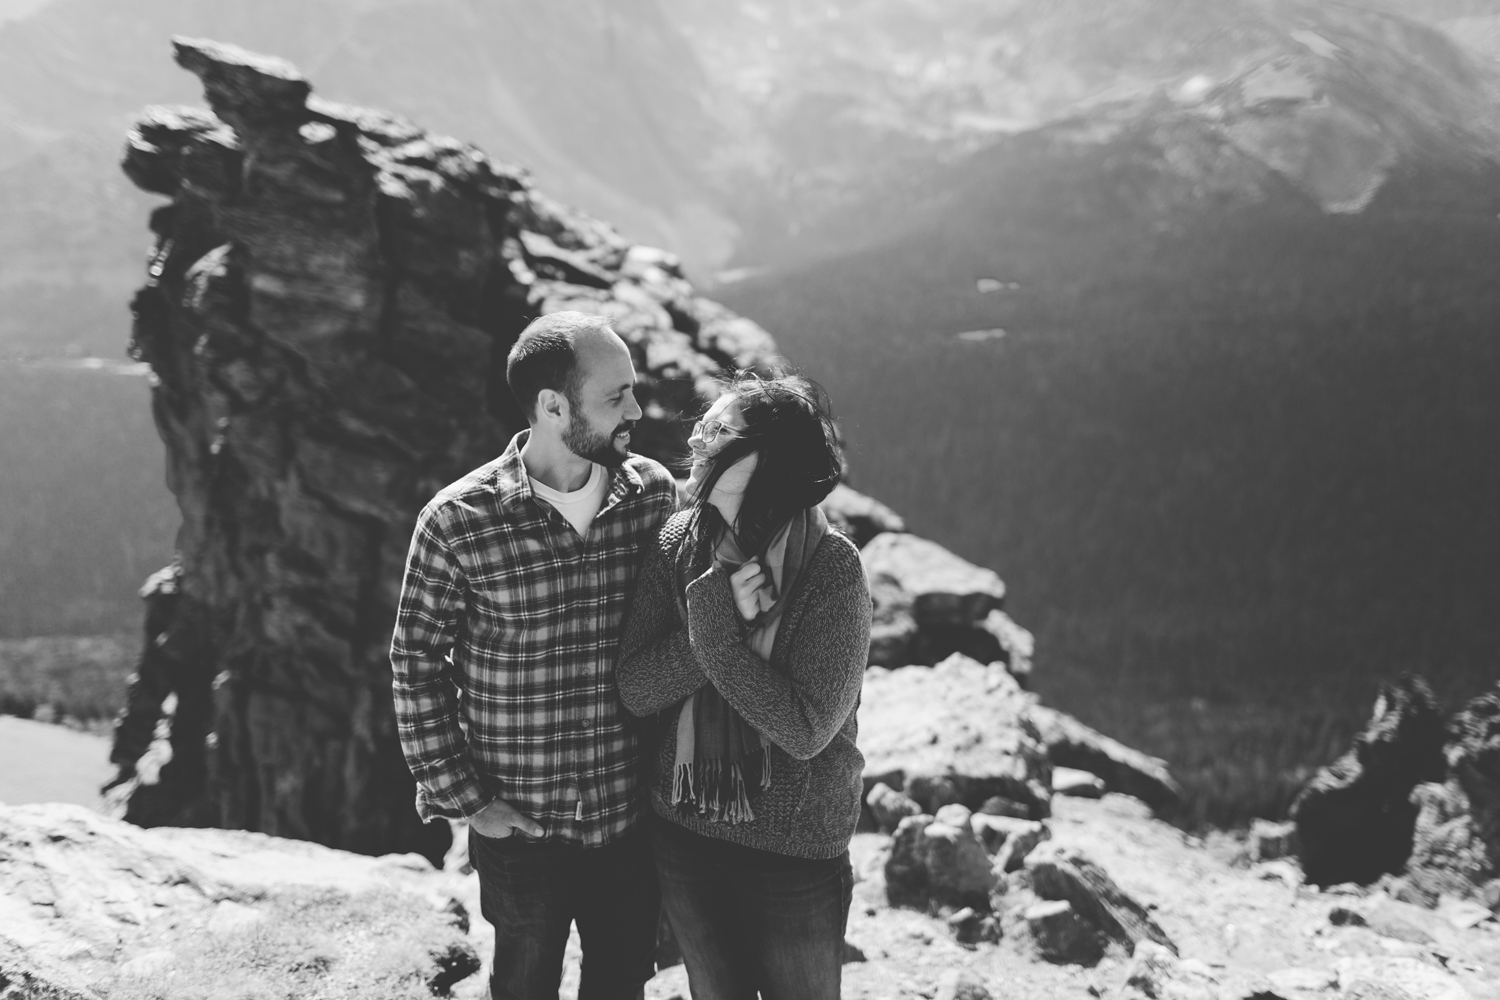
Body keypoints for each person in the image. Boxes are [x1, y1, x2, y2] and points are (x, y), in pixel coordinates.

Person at [390, 311, 676, 1000]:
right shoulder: (458, 521)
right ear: (553, 407)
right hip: (518, 825)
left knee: (621, 981)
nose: (636, 410)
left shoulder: (655, 497)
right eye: (616, 397)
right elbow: (415, 664)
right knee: (524, 981)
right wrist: (467, 801)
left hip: (627, 816)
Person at [616, 372, 872, 1000]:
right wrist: (716, 626)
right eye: (707, 422)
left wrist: (715, 634)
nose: (699, 436)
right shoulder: (679, 542)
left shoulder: (831, 569)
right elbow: (636, 688)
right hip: (684, 831)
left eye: (723, 429)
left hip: (794, 850)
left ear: (770, 460)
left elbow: (805, 729)